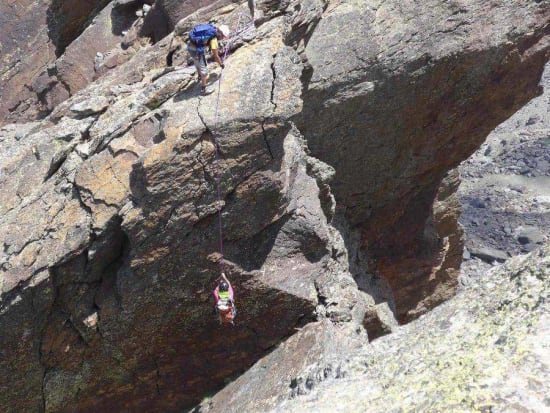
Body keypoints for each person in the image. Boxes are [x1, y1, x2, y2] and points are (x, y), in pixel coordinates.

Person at [187, 23, 230, 94]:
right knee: (205, 71)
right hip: (196, 51)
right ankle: (203, 89)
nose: (222, 38)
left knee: (196, 61)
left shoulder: (211, 28)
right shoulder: (214, 39)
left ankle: (199, 76)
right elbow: (216, 56)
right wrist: (221, 64)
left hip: (190, 47)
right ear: (221, 33)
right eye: (223, 37)